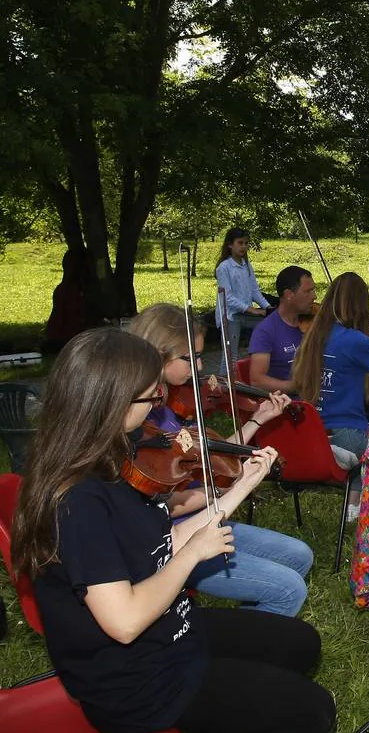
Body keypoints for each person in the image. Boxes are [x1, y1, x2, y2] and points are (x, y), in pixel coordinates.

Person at [10, 328, 335, 733]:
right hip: (139, 683)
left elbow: (162, 543)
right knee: (313, 711)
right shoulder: (79, 503)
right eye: (150, 397)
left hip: (174, 632)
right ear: (111, 402)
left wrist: (239, 488)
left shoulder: (117, 457)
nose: (156, 406)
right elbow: (124, 621)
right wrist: (193, 554)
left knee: (300, 644)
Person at [129, 304, 314, 618]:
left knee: (300, 555)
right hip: (173, 542)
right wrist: (227, 489)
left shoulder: (170, 405)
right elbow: (163, 504)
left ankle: (244, 627)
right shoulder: (136, 421)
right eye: (191, 358)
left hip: (208, 517)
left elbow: (206, 458)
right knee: (289, 587)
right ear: (158, 355)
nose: (200, 368)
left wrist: (257, 420)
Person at [291, 273, 369, 483]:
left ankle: (337, 465)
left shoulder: (312, 336)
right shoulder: (356, 340)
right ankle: (356, 495)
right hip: (347, 434)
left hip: (312, 431)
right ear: (361, 306)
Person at [247, 265, 316, 395]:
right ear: (289, 295)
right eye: (308, 291)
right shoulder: (265, 331)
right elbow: (257, 381)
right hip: (290, 405)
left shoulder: (312, 321)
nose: (314, 296)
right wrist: (294, 386)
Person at [214, 227, 271, 362]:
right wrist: (252, 310)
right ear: (230, 245)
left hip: (245, 314)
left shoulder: (246, 265)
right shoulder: (224, 267)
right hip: (230, 316)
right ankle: (225, 381)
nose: (244, 246)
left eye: (246, 243)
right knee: (230, 357)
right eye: (240, 243)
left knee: (267, 326)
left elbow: (254, 291)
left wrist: (268, 308)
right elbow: (227, 297)